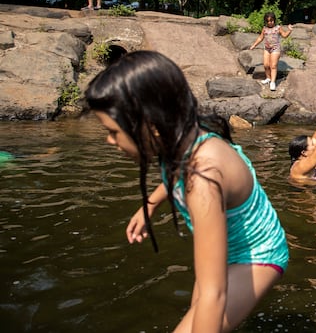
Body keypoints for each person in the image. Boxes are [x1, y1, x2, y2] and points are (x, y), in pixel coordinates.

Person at [84, 50, 288, 332]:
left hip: (258, 255)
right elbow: (174, 175)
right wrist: (150, 204)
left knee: (206, 308)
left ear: (151, 126)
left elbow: (214, 296)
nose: (109, 140)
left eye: (113, 131)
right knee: (201, 312)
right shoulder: (183, 133)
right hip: (230, 244)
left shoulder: (203, 178)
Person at [249, 12, 293, 91]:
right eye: (268, 21)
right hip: (267, 49)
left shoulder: (278, 28)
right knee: (266, 65)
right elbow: (260, 38)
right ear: (266, 21)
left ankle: (273, 82)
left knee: (273, 66)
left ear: (274, 20)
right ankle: (268, 78)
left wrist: (289, 30)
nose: (270, 22)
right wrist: (254, 45)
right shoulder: (264, 29)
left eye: (271, 20)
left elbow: (284, 35)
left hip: (275, 49)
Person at [289, 104, 316, 183]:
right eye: (312, 144)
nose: (315, 145)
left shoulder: (308, 162)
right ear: (304, 152)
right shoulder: (299, 167)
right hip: (306, 194)